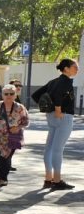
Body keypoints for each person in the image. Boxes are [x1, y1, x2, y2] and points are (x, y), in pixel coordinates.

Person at [33, 58, 79, 190]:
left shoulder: (53, 81)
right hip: (63, 116)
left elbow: (36, 95)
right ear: (66, 69)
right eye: (75, 67)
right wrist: (58, 108)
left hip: (52, 116)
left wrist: (48, 108)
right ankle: (57, 180)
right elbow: (59, 94)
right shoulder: (65, 81)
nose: (77, 69)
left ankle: (48, 178)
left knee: (49, 149)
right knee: (58, 150)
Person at [0, 84, 29, 187]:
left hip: (12, 136)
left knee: (6, 157)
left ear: (15, 95)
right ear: (2, 95)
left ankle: (3, 178)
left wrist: (17, 127)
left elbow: (26, 121)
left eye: (11, 94)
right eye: (6, 93)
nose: (9, 96)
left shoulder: (19, 107)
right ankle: (1, 176)